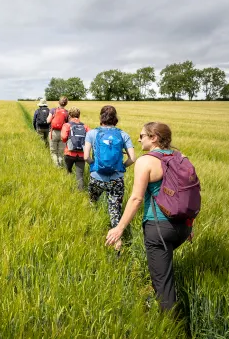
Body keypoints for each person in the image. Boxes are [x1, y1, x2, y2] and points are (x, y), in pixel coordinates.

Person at [105, 122, 193, 311]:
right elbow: (186, 192)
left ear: (154, 138)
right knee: (164, 270)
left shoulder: (145, 161)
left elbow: (136, 198)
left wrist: (119, 228)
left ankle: (169, 326)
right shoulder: (181, 157)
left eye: (142, 135)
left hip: (159, 227)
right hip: (184, 226)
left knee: (163, 283)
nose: (138, 139)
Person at [84, 105, 135, 250]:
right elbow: (133, 158)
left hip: (96, 178)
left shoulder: (92, 133)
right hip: (116, 180)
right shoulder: (123, 135)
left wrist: (94, 165)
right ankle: (117, 246)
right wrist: (122, 167)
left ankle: (89, 230)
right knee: (115, 213)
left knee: (92, 203)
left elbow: (86, 156)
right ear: (115, 118)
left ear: (101, 117)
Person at [61, 106, 90, 190]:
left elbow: (63, 138)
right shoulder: (85, 126)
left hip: (69, 153)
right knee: (79, 176)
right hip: (82, 155)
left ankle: (67, 189)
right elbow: (90, 138)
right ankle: (80, 192)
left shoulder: (67, 125)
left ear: (69, 115)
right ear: (79, 115)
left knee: (67, 171)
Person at [47, 96, 69, 168]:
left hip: (53, 133)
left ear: (58, 102)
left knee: (53, 152)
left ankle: (56, 167)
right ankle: (61, 166)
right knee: (60, 152)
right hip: (62, 134)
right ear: (66, 104)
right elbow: (68, 124)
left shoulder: (53, 110)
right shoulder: (67, 112)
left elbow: (48, 121)